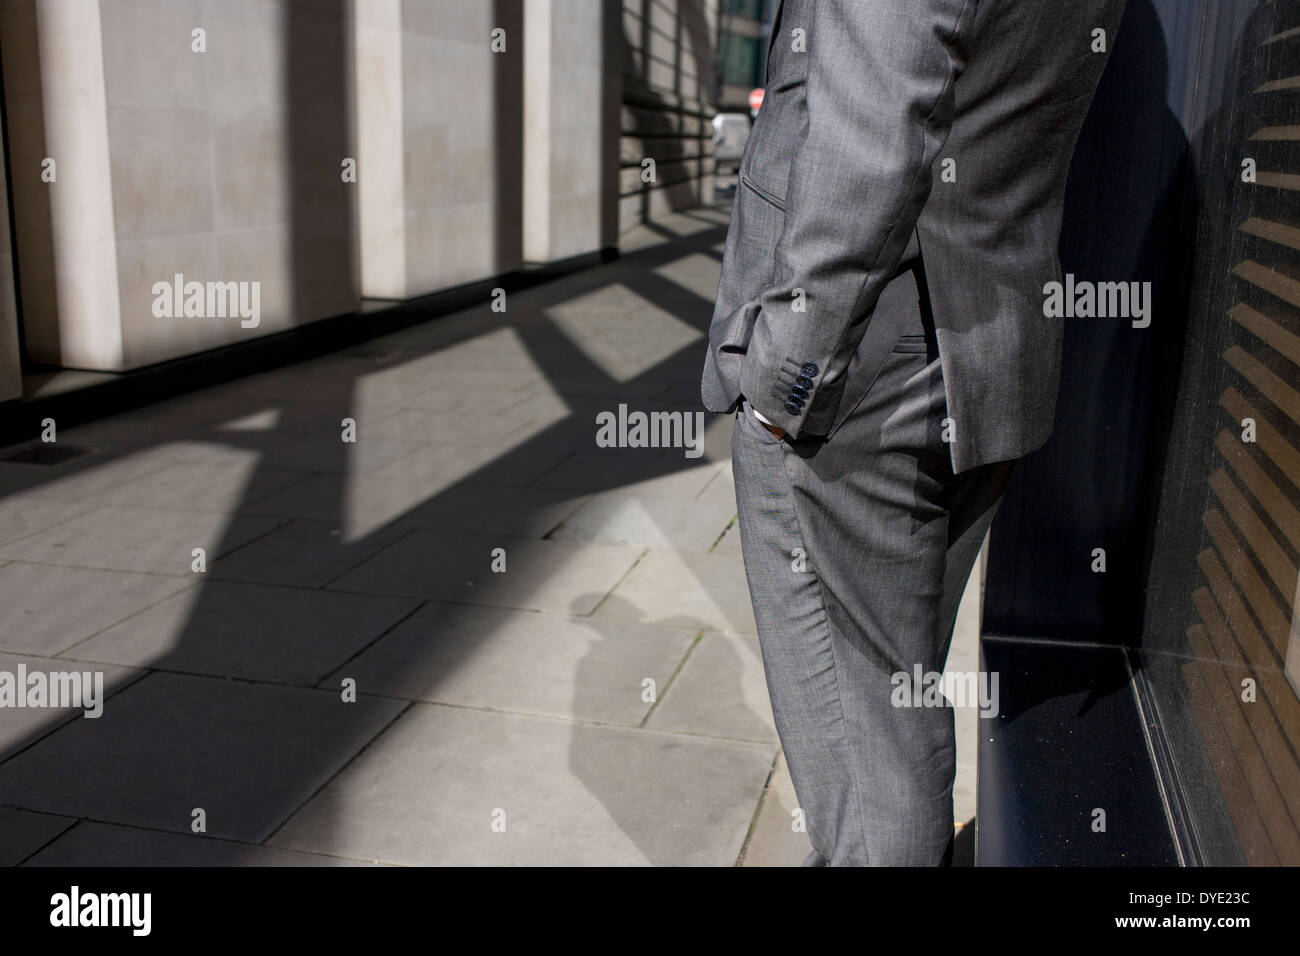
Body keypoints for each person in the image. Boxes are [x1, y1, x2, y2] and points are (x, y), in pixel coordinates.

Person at [701, 0, 1127, 865]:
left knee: (873, 751)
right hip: (988, 352)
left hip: (859, 366)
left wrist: (787, 374)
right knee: (896, 696)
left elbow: (874, 144)